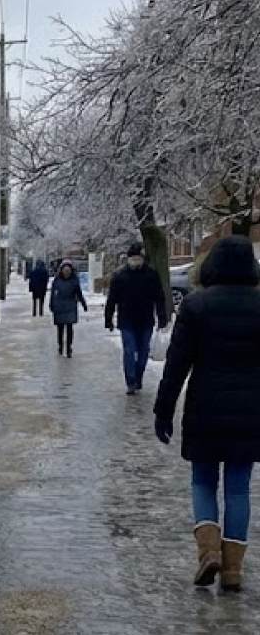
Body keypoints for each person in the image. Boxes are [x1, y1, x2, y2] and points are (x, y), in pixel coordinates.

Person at [153, 235, 260, 591]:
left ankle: (208, 551)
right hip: (250, 410)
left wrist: (163, 409)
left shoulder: (196, 305)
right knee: (239, 489)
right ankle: (232, 570)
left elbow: (177, 363)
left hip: (205, 408)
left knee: (202, 481)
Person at [105, 242, 169, 394]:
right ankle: (131, 381)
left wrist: (162, 316)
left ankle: (138, 376)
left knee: (143, 351)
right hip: (126, 320)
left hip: (145, 320)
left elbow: (159, 297)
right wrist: (108, 318)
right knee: (129, 350)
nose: (135, 262)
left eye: (138, 259)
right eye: (133, 259)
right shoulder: (120, 276)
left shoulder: (151, 275)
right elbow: (112, 298)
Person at [49, 260, 87, 357]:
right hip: (59, 307)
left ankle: (69, 347)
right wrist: (52, 304)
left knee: (69, 328)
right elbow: (53, 294)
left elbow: (79, 293)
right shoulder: (57, 280)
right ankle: (61, 345)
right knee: (60, 328)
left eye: (68, 270)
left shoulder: (74, 280)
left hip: (70, 306)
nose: (66, 272)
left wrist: (83, 303)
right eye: (65, 270)